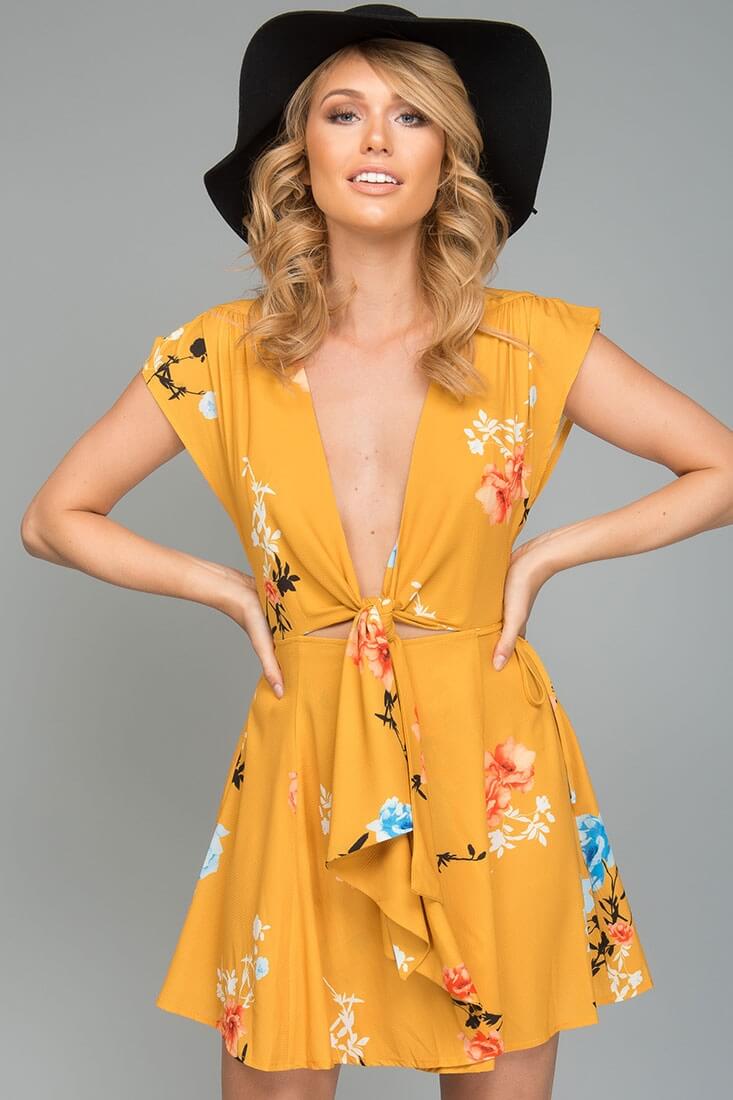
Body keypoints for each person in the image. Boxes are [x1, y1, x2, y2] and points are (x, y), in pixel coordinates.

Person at [20, 6, 733, 1100]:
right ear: (298, 150)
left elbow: (720, 466)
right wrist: (220, 586)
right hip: (304, 753)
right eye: (343, 113)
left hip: (488, 753)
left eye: (410, 116)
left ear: (448, 155)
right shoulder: (221, 351)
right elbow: (53, 517)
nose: (374, 140)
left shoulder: (532, 339)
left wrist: (548, 553)